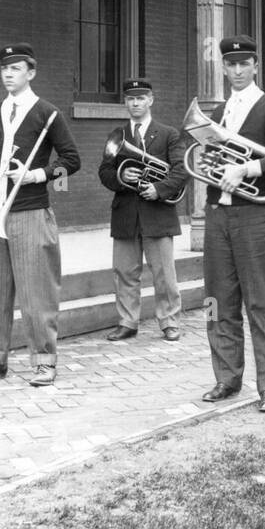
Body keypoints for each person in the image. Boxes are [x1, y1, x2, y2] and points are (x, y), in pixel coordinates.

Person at [0, 43, 81, 387]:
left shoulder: (48, 112)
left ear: (30, 73)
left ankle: (44, 362)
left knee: (36, 293)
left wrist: (37, 175)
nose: (8, 74)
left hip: (30, 212)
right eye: (4, 69)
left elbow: (72, 159)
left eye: (15, 69)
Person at [199, 36, 265, 413]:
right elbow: (211, 157)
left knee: (260, 303)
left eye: (244, 64)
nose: (237, 71)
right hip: (218, 216)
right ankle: (226, 379)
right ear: (222, 68)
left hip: (255, 217)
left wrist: (245, 167)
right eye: (231, 64)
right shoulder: (221, 111)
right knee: (215, 301)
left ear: (255, 66)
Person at [97, 78, 186, 344]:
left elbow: (181, 171)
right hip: (126, 212)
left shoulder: (169, 133)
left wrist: (158, 189)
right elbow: (104, 172)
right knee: (124, 272)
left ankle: (170, 322)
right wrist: (124, 176)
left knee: (164, 274)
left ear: (151, 100)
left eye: (140, 98)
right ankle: (127, 322)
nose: (135, 103)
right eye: (130, 99)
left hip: (157, 212)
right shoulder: (118, 135)